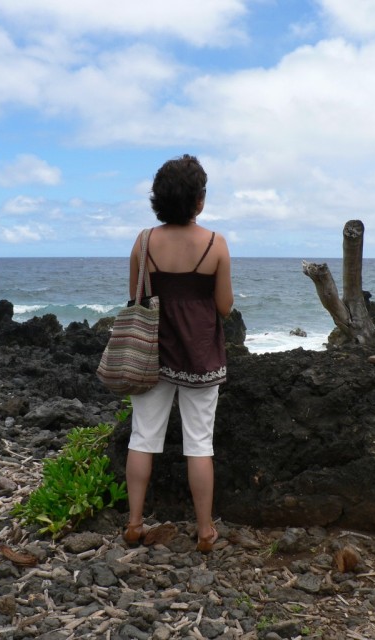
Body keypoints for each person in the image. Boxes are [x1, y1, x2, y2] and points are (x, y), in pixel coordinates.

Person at [124, 154, 234, 552]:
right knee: (199, 444)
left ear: (158, 198)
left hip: (151, 356)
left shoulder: (142, 241)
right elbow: (224, 306)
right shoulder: (215, 244)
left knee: (143, 437)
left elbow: (134, 297)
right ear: (199, 201)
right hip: (200, 357)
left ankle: (134, 523)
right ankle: (205, 530)